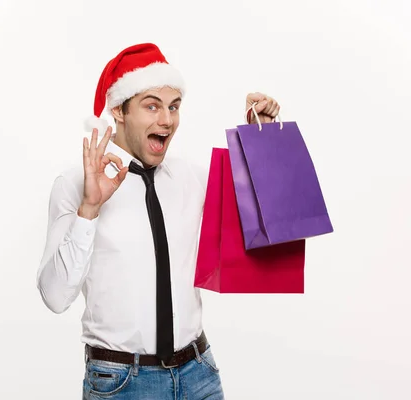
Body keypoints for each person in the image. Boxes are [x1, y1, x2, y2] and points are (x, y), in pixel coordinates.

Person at [36, 43, 280, 399]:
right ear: (119, 110)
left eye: (174, 106)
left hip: (200, 374)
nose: (167, 120)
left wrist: (265, 139)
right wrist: (89, 209)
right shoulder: (75, 185)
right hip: (122, 384)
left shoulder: (188, 178)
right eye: (152, 105)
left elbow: (262, 223)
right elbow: (55, 296)